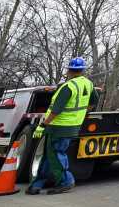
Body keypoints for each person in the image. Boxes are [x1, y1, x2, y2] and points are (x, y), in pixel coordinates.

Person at [27, 57, 93, 196]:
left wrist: (43, 124)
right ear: (83, 70)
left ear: (69, 70)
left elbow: (56, 110)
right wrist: (80, 114)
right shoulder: (88, 84)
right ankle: (39, 182)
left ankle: (66, 181)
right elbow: (92, 102)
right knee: (49, 155)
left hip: (59, 127)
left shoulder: (68, 87)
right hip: (72, 126)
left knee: (56, 155)